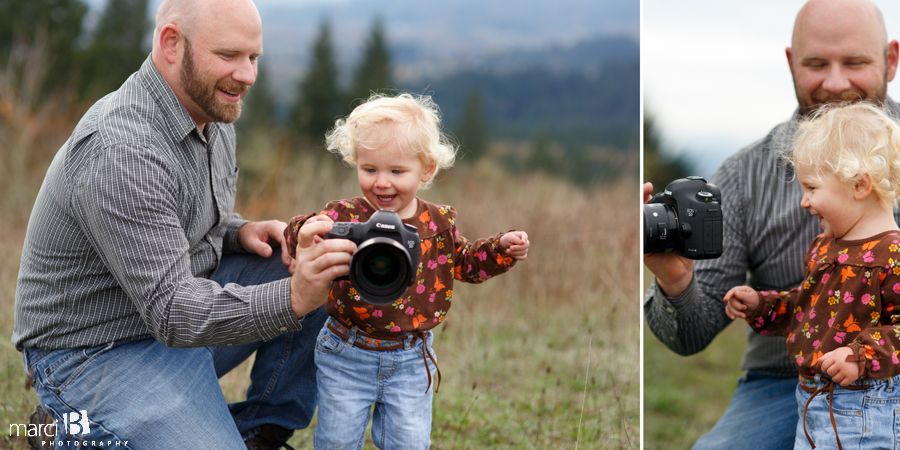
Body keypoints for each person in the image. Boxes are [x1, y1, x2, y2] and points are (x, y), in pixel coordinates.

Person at [11, 0, 356, 448]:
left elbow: (176, 221)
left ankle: (258, 434)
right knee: (297, 290)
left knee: (315, 268)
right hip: (95, 353)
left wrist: (237, 232)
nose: (247, 75)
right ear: (171, 43)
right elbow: (173, 311)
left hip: (170, 312)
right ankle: (64, 426)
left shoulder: (210, 110)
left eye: (253, 58)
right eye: (229, 56)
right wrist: (292, 299)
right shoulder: (122, 151)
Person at [642, 0, 900, 448]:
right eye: (817, 64)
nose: (836, 82)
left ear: (891, 59)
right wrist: (677, 281)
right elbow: (691, 336)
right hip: (785, 381)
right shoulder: (743, 177)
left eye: (855, 62)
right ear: (790, 64)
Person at [282, 93, 530, 449]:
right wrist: (303, 232)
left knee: (410, 444)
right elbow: (301, 234)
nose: (382, 183)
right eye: (370, 169)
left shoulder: (436, 224)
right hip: (345, 351)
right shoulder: (344, 217)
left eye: (397, 171)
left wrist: (501, 248)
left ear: (426, 169)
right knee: (336, 442)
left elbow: (465, 263)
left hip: (412, 358)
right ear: (356, 163)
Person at [724, 102, 900, 449]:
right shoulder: (825, 246)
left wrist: (861, 355)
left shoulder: (892, 255)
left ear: (860, 185)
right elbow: (809, 309)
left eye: (812, 188)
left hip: (867, 409)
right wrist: (762, 305)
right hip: (810, 401)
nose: (804, 202)